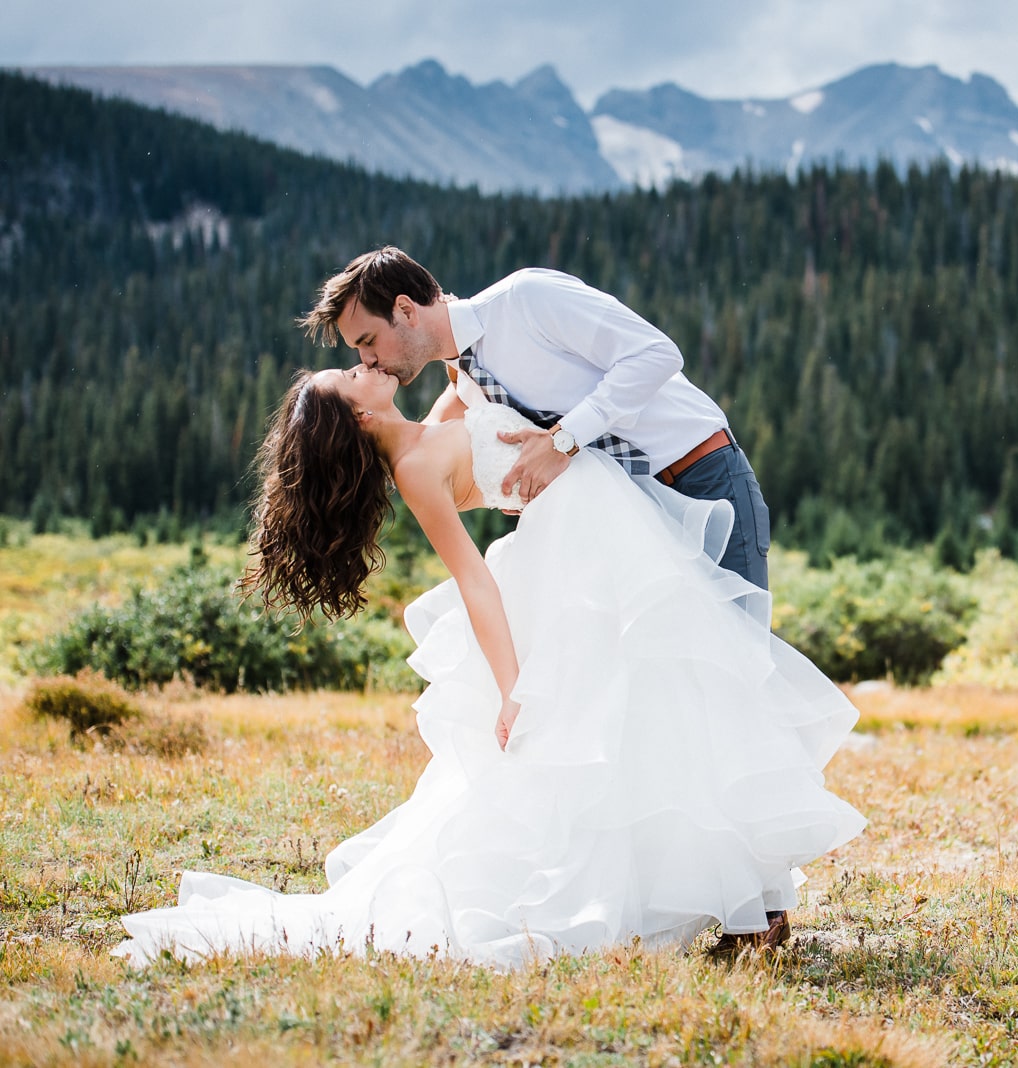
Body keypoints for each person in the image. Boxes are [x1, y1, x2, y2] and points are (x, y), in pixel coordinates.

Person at [113, 365, 864, 968]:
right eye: (351, 374)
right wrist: (514, 689)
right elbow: (474, 579)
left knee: (665, 702)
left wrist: (454, 347)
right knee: (637, 708)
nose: (363, 364)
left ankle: (741, 898)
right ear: (362, 417)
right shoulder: (412, 466)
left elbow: (466, 385)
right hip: (578, 552)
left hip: (596, 532)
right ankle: (732, 901)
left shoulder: (429, 426)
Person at [298, 246, 771, 591]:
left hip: (703, 477)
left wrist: (561, 441)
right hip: (639, 518)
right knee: (682, 684)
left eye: (368, 340)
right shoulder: (467, 383)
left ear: (405, 309)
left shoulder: (526, 299)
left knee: (742, 667)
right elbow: (424, 447)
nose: (368, 360)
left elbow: (656, 354)